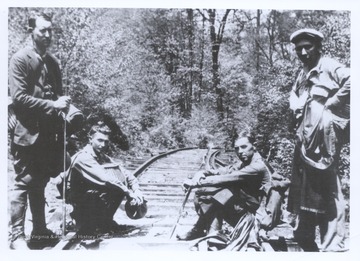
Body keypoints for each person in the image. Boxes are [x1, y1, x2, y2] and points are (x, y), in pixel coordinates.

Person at [8, 11, 71, 249]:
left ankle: (40, 231)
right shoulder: (20, 59)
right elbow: (19, 98)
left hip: (48, 136)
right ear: (31, 31)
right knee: (23, 183)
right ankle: (16, 237)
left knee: (40, 182)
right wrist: (52, 104)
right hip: (26, 133)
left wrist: (65, 107)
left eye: (50, 30)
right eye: (42, 30)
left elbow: (57, 96)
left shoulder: (53, 63)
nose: (47, 35)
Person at [287, 28, 350, 252]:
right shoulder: (303, 72)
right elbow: (296, 95)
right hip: (305, 137)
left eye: (308, 47)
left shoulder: (329, 65)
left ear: (318, 46)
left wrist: (331, 103)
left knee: (329, 185)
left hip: (325, 136)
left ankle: (334, 241)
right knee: (306, 183)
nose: (303, 52)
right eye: (298, 48)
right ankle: (305, 233)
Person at [177, 132, 272, 251]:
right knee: (216, 195)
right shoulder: (245, 163)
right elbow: (224, 171)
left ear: (254, 146)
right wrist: (202, 173)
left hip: (257, 217)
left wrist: (195, 183)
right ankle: (208, 232)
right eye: (237, 148)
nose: (240, 151)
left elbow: (229, 178)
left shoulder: (257, 166)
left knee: (215, 194)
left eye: (244, 147)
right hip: (248, 208)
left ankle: (204, 231)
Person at [67, 123, 145, 236]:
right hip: (78, 198)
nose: (103, 145)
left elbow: (125, 174)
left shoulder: (102, 156)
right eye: (99, 140)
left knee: (119, 182)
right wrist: (128, 192)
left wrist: (136, 189)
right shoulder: (83, 157)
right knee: (115, 186)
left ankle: (105, 221)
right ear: (90, 139)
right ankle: (84, 220)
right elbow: (105, 179)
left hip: (92, 194)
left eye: (106, 141)